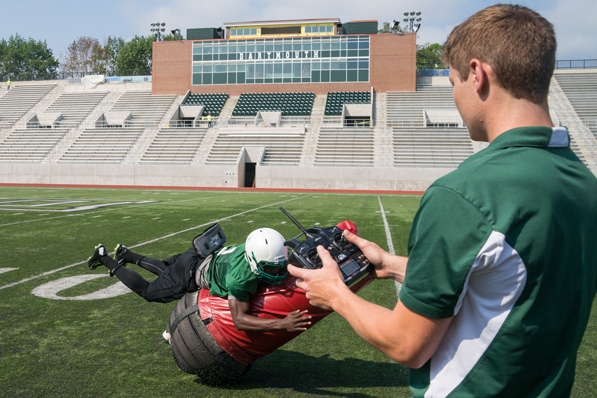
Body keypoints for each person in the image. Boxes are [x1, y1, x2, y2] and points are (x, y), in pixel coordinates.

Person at [288, 4, 597, 397]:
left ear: (477, 74)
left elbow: (406, 344)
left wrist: (335, 294)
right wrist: (396, 265)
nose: (454, 96)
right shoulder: (584, 182)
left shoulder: (464, 193)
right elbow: (510, 277)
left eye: (452, 81)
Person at [88, 227, 311, 332]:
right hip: (192, 273)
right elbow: (240, 320)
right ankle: (105, 258)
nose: (277, 272)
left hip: (202, 254)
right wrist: (282, 323)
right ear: (253, 261)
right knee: (149, 291)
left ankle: (126, 254)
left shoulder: (258, 248)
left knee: (167, 270)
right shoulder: (240, 280)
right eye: (270, 268)